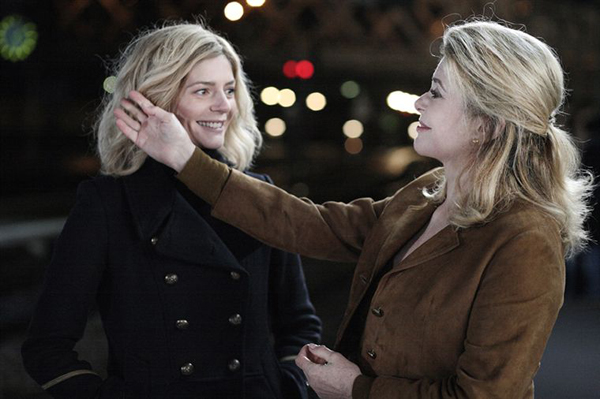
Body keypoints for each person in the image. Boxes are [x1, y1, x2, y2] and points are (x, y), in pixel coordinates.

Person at [115, 19, 595, 399]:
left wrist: (353, 388)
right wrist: (187, 160)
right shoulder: (430, 191)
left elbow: (482, 395)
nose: (418, 102)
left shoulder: (524, 239)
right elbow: (312, 225)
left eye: (437, 92)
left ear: (487, 125)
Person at [21, 21, 321, 399]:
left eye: (229, 90)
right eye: (203, 91)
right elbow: (47, 346)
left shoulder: (259, 193)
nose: (224, 105)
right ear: (156, 100)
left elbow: (300, 323)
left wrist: (287, 387)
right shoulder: (108, 203)